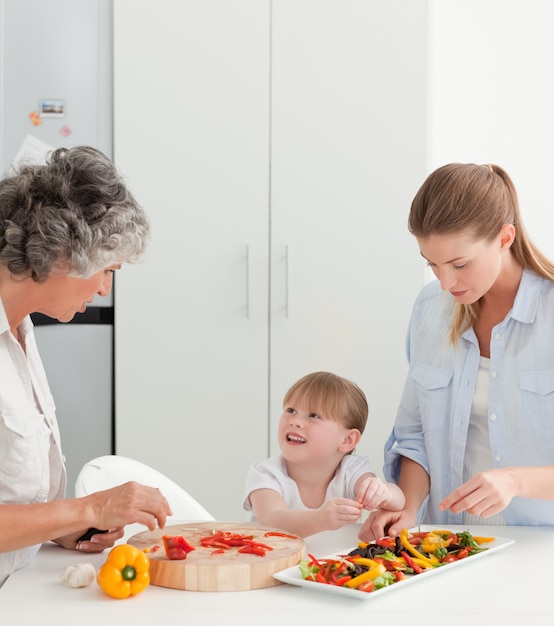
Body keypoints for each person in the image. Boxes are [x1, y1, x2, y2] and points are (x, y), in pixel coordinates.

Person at [0, 145, 171, 586]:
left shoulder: (19, 333)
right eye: (107, 270)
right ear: (62, 255)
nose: (104, 290)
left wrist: (67, 526)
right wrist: (89, 508)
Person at [360, 162, 554, 542]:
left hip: (540, 549)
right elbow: (416, 435)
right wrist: (407, 508)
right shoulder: (430, 307)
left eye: (460, 264)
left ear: (504, 237)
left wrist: (515, 481)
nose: (446, 282)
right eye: (431, 263)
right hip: (447, 542)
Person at [243, 371, 405, 537]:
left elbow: (399, 501)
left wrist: (382, 492)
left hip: (331, 561)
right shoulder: (266, 474)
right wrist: (321, 519)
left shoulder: (350, 471)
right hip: (276, 561)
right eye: (291, 410)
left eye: (314, 416)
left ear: (347, 440)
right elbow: (273, 519)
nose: (295, 421)